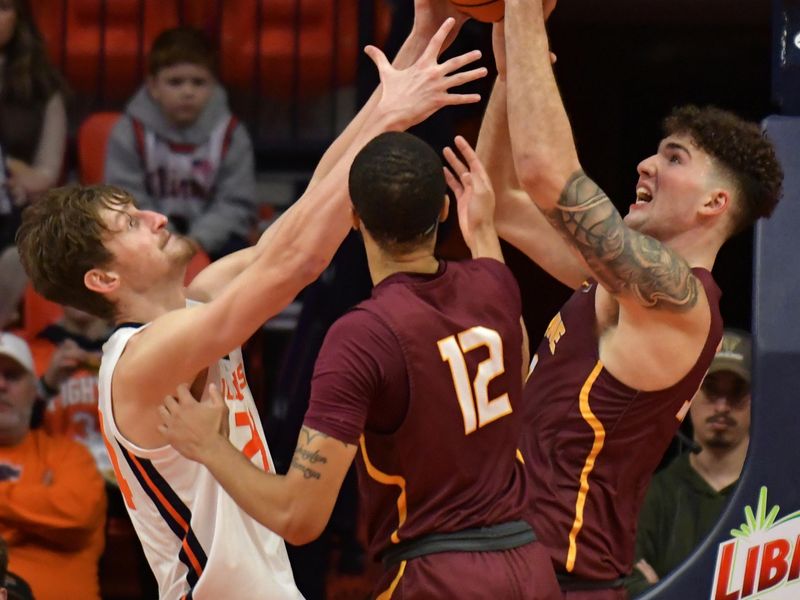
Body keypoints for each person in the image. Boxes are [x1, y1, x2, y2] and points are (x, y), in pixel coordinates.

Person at [16, 15, 486, 599]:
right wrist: (392, 118)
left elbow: (302, 218)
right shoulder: (141, 362)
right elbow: (295, 263)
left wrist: (407, 60)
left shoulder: (200, 298)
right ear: (102, 277)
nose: (158, 217)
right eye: (131, 224)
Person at [157, 131, 561, 599]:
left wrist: (209, 445)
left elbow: (299, 517)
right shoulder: (494, 282)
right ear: (445, 212)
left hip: (441, 577)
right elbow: (514, 343)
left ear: (353, 218)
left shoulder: (362, 336)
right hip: (531, 567)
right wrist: (484, 228)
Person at [478, 2, 783, 597]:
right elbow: (504, 199)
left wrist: (522, 13)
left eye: (673, 159)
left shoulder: (676, 300)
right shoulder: (618, 283)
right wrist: (513, 71)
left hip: (566, 579)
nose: (645, 164)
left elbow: (545, 172)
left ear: (713, 204)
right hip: (519, 564)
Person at [104, 26, 257, 260]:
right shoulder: (129, 132)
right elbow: (125, 198)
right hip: (146, 238)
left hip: (213, 242)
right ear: (154, 86)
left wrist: (196, 241)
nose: (188, 92)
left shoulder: (231, 133)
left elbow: (235, 203)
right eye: (175, 82)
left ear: (213, 84)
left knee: (239, 253)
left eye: (198, 82)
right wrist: (167, 238)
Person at [625, 329, 752, 597]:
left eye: (736, 393)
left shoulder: (774, 494)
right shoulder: (654, 496)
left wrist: (667, 591)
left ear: (756, 399)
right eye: (711, 390)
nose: (721, 407)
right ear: (691, 393)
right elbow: (627, 585)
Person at [0, 332, 106, 600]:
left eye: (12, 376)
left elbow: (77, 516)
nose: (1, 385)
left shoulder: (71, 455)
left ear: (34, 390)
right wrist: (37, 501)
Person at [0, 0, 68, 328]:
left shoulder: (42, 89)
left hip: (16, 208)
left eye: (3, 7)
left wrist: (10, 169)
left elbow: (47, 173)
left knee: (21, 252)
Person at [26, 305, 112, 477]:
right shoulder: (29, 354)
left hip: (124, 486)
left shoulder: (135, 348)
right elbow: (11, 433)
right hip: (56, 480)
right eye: (71, 279)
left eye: (88, 278)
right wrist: (46, 385)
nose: (78, 289)